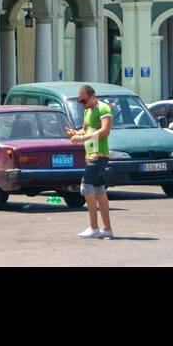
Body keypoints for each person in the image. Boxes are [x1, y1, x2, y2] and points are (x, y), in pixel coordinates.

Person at [66, 84, 113, 240]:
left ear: (93, 96)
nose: (83, 104)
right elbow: (85, 130)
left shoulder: (103, 108)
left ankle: (94, 227)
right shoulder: (88, 111)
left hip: (99, 155)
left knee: (86, 188)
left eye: (84, 101)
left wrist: (83, 138)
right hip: (91, 155)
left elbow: (105, 131)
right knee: (99, 191)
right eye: (80, 102)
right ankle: (106, 229)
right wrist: (75, 133)